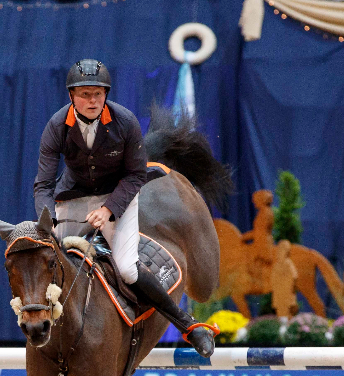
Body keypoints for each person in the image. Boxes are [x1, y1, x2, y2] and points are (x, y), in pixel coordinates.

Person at [33, 58, 215, 357]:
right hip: (73, 199)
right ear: (71, 97)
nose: (92, 101)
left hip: (119, 196)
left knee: (128, 269)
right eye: (84, 94)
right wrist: (48, 219)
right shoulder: (56, 126)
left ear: (106, 94)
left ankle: (189, 326)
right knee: (55, 267)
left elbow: (136, 175)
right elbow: (43, 185)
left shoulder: (124, 121)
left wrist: (108, 211)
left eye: (97, 94)